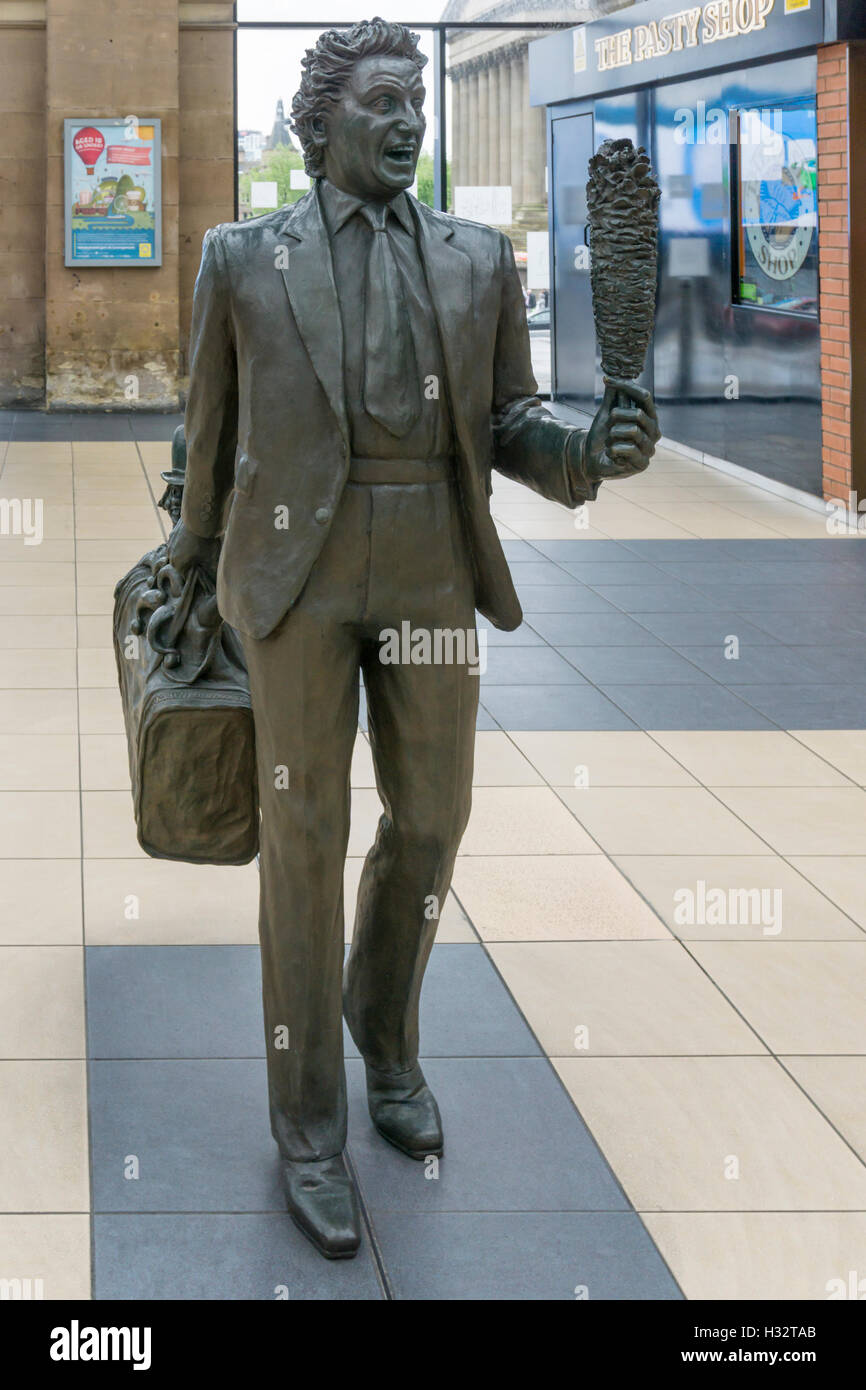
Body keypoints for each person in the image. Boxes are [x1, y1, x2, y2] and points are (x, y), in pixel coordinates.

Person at [168, 16, 660, 1259]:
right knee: (302, 838)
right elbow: (208, 437)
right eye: (382, 103)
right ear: (321, 119)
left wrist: (578, 456)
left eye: (415, 107)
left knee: (431, 820)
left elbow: (512, 419)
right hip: (297, 574)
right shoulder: (240, 259)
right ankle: (308, 1124)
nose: (404, 125)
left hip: (432, 572)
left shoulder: (473, 258)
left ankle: (382, 1031)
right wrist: (188, 568)